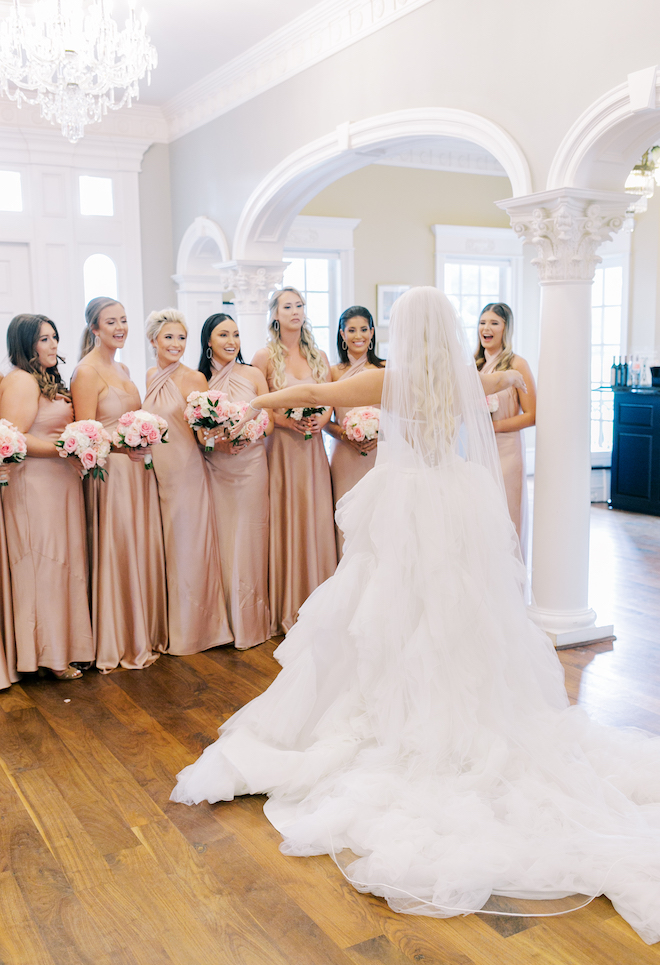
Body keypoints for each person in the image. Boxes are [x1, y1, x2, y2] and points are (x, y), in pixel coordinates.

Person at [172, 287, 660, 946]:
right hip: (456, 501)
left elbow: (310, 394)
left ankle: (396, 715)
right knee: (460, 619)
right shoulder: (467, 380)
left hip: (406, 508)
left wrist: (252, 401)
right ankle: (458, 716)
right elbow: (510, 390)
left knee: (386, 618)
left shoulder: (391, 378)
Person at [71, 297, 167, 672]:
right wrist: (122, 442)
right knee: (118, 547)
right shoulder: (86, 372)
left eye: (124, 320)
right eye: (110, 322)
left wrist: (143, 437)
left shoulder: (124, 367)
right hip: (110, 476)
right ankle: (117, 640)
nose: (120, 327)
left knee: (138, 547)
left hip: (138, 471)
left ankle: (139, 632)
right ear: (95, 328)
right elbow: (86, 433)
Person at [0, 314, 94, 679]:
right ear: (26, 345)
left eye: (54, 337)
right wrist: (66, 447)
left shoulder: (45, 379)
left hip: (60, 484)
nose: (54, 344)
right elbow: (14, 437)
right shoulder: (22, 381)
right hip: (35, 487)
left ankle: (62, 648)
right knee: (43, 566)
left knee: (62, 565)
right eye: (44, 339)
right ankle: (46, 656)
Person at [144, 308, 233, 654]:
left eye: (182, 337)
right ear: (154, 340)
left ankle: (196, 630)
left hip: (185, 472)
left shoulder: (194, 378)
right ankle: (168, 624)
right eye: (169, 337)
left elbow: (202, 434)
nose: (177, 344)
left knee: (187, 545)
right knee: (165, 546)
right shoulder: (151, 374)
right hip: (155, 472)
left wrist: (216, 433)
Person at [252, 287, 336, 636]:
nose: (295, 311)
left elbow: (331, 395)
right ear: (275, 314)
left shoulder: (317, 354)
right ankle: (289, 606)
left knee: (315, 516)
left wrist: (322, 418)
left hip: (313, 448)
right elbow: (260, 404)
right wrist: (289, 421)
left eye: (299, 305)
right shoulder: (264, 357)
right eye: (287, 306)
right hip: (282, 447)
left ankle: (324, 603)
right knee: (287, 516)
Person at [198, 313, 273, 649]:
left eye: (236, 334)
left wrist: (251, 433)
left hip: (253, 464)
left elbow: (269, 422)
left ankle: (253, 621)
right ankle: (224, 621)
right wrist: (219, 440)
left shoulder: (253, 374)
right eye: (223, 334)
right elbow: (197, 431)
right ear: (208, 341)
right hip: (217, 468)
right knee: (222, 540)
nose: (231, 341)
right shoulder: (198, 380)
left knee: (251, 537)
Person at [475, 303, 536, 561]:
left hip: (507, 451)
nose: (486, 328)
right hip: (478, 451)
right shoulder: (476, 365)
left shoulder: (517, 364)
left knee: (506, 514)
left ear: (505, 329)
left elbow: (533, 415)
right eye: (482, 322)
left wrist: (494, 426)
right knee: (479, 515)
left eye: (494, 323)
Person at [324, 306, 385, 556]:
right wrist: (343, 434)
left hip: (379, 456)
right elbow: (325, 420)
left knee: (378, 518)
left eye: (363, 329)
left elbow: (398, 415)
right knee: (346, 518)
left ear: (372, 332)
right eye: (351, 330)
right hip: (344, 456)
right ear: (342, 333)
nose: (358, 335)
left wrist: (379, 436)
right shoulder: (333, 372)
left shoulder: (384, 369)